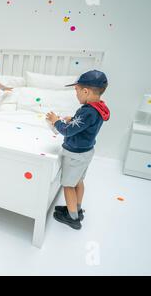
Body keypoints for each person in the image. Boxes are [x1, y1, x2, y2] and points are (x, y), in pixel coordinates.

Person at [46, 70, 110, 230]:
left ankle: (72, 217)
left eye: (76, 90)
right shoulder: (99, 107)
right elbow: (86, 125)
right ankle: (76, 208)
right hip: (86, 151)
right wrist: (73, 120)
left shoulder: (87, 111)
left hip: (75, 154)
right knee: (78, 181)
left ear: (86, 91)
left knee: (68, 184)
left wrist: (56, 122)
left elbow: (67, 131)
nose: (76, 94)